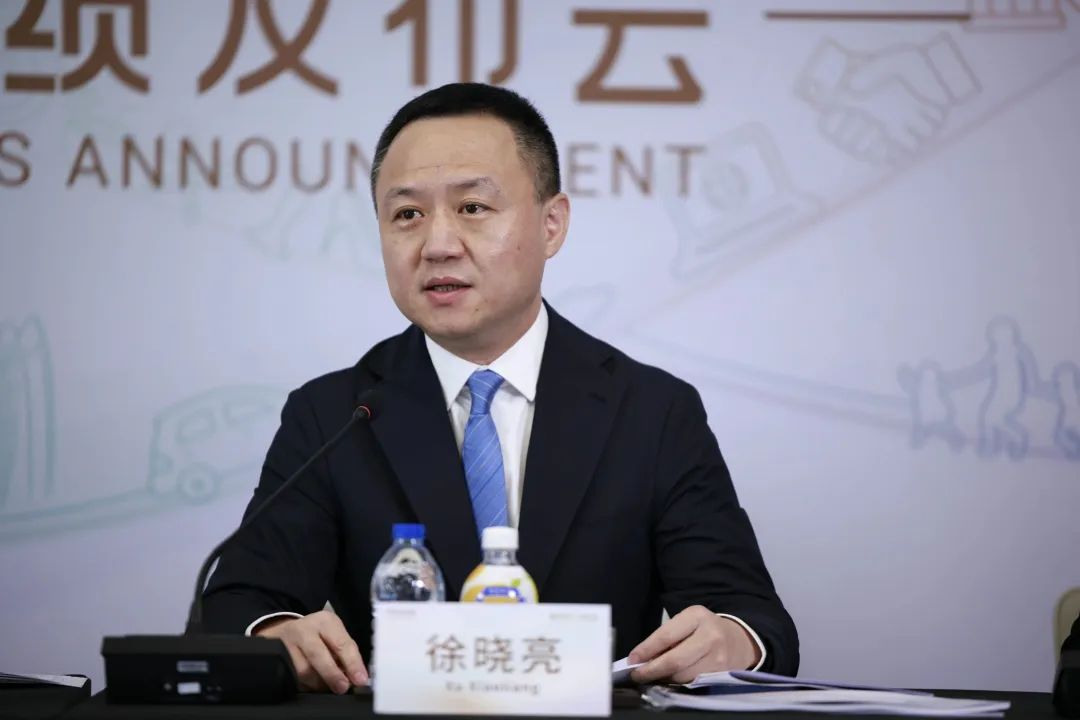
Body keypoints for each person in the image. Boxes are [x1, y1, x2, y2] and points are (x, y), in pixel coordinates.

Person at [203, 83, 798, 694]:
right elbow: (235, 606)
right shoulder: (333, 414)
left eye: (473, 207)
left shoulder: (653, 411)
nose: (437, 245)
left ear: (551, 224)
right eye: (407, 215)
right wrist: (273, 633)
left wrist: (731, 639)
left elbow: (756, 621)